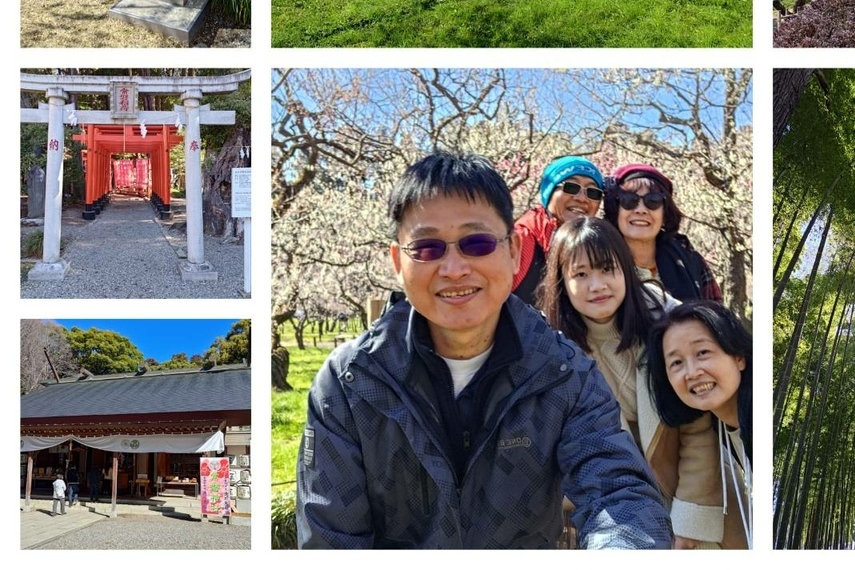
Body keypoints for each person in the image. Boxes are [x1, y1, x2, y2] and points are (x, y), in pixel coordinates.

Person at [297, 150, 671, 549]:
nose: (454, 269)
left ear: (513, 251)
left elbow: (618, 494)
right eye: (427, 248)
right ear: (397, 262)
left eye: (476, 243)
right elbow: (330, 539)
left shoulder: (564, 374)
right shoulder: (351, 384)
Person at [541, 215, 738, 549]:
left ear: (626, 270)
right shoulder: (550, 354)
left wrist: (689, 521)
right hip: (609, 512)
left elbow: (696, 427)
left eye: (607, 269)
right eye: (581, 274)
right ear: (561, 281)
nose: (597, 285)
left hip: (687, 491)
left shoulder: (667, 329)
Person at [647, 300, 753, 549]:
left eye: (702, 353)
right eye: (676, 363)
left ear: (738, 356)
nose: (692, 372)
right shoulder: (724, 429)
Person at [604, 163, 722, 302]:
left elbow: (716, 317)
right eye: (629, 200)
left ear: (665, 213)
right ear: (615, 210)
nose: (640, 210)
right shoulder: (597, 259)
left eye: (653, 201)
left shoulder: (690, 260)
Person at [511, 155, 604, 304]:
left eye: (593, 192)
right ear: (549, 192)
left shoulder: (596, 246)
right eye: (571, 187)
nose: (581, 198)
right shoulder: (521, 241)